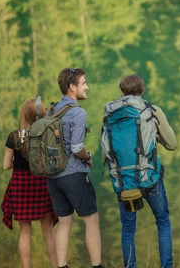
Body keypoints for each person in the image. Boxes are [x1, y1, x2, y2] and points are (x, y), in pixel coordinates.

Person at [104, 74, 178, 268]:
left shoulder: (110, 115)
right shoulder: (151, 110)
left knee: (128, 229)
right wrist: (156, 138)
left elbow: (107, 152)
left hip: (124, 181)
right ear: (142, 90)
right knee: (163, 221)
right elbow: (172, 144)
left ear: (122, 92)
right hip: (150, 177)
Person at [47, 68, 102, 268]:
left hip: (53, 175)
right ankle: (97, 266)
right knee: (91, 220)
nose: (86, 86)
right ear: (72, 87)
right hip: (73, 174)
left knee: (64, 222)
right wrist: (87, 157)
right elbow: (77, 147)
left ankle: (61, 266)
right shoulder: (78, 112)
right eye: (83, 83)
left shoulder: (52, 110)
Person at [1, 97, 58, 268]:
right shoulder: (46, 134)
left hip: (20, 184)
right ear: (41, 114)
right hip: (41, 183)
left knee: (25, 231)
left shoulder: (14, 136)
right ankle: (56, 265)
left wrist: (16, 164)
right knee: (48, 230)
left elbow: (5, 166)